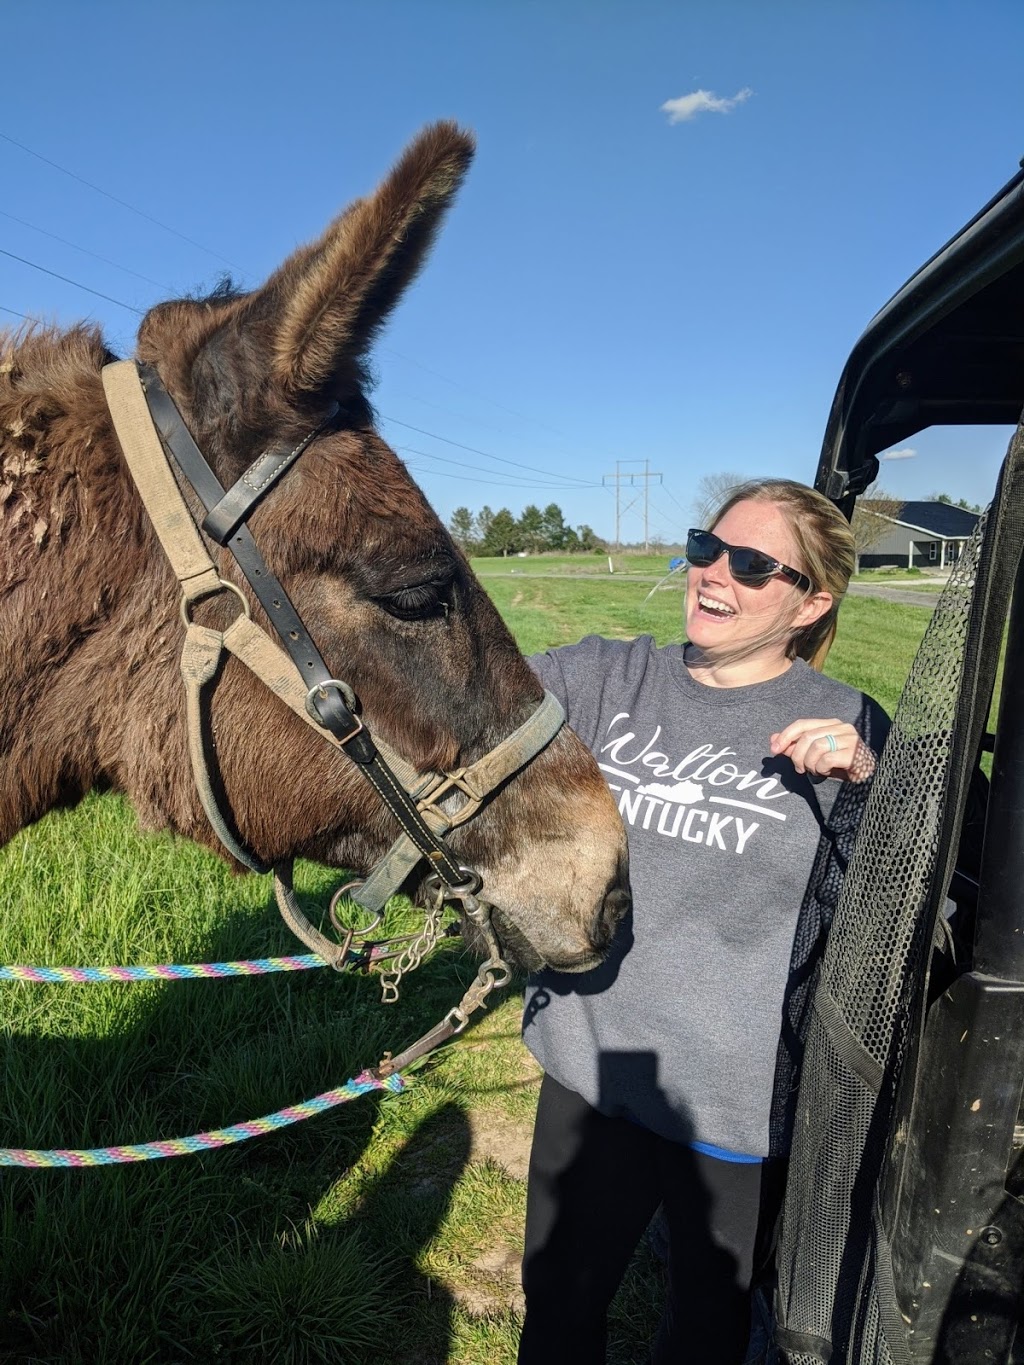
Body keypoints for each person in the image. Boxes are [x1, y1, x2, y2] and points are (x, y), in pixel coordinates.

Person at [517, 479, 890, 1364]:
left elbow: (910, 899)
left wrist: (873, 785)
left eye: (755, 564)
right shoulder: (609, 675)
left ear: (813, 602)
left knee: (707, 1334)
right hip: (592, 1055)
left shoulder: (846, 725)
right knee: (558, 1310)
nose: (715, 572)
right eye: (705, 547)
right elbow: (469, 698)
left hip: (732, 1098)